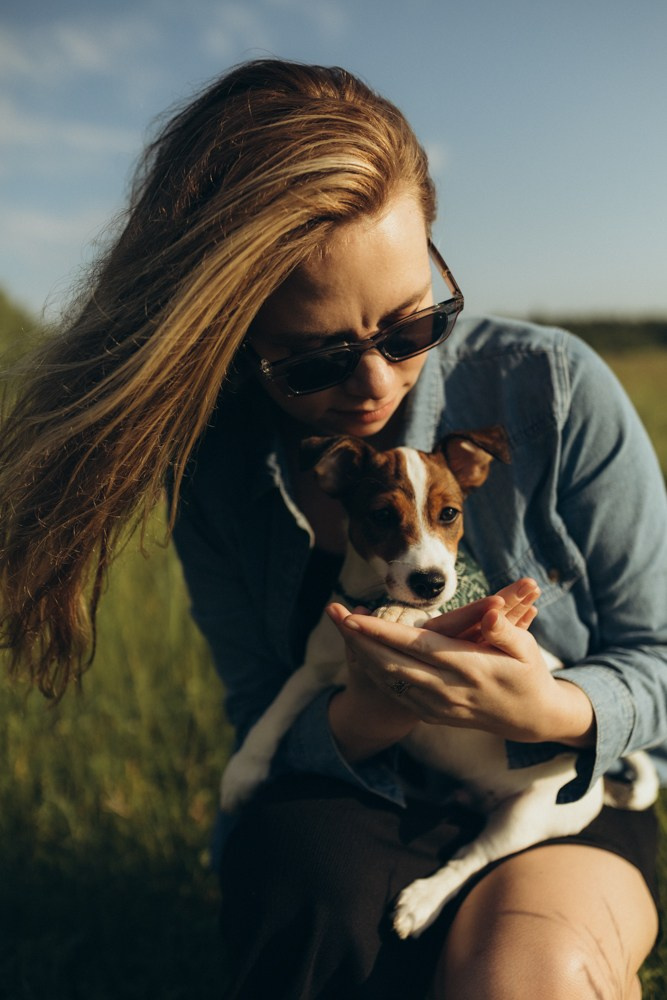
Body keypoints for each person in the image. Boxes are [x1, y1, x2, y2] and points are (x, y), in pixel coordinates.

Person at [0, 59, 665, 999]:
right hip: (351, 778)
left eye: (409, 327)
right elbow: (258, 722)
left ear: (434, 248)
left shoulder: (548, 390)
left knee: (525, 976)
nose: (377, 387)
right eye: (314, 361)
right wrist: (371, 711)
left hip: (546, 783)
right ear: (231, 336)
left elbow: (660, 654)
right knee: (307, 916)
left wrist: (551, 710)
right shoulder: (216, 465)